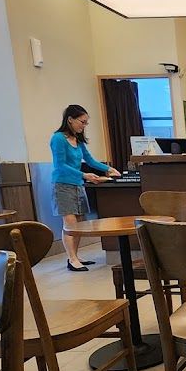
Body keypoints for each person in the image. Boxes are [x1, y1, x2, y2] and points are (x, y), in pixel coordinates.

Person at [50, 104, 119, 271]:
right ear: (70, 120)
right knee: (70, 223)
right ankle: (72, 259)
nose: (84, 125)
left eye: (86, 122)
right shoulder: (58, 138)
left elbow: (90, 160)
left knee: (79, 224)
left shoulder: (78, 140)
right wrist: (84, 175)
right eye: (82, 122)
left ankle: (75, 256)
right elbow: (60, 165)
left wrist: (108, 169)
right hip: (63, 185)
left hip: (78, 185)